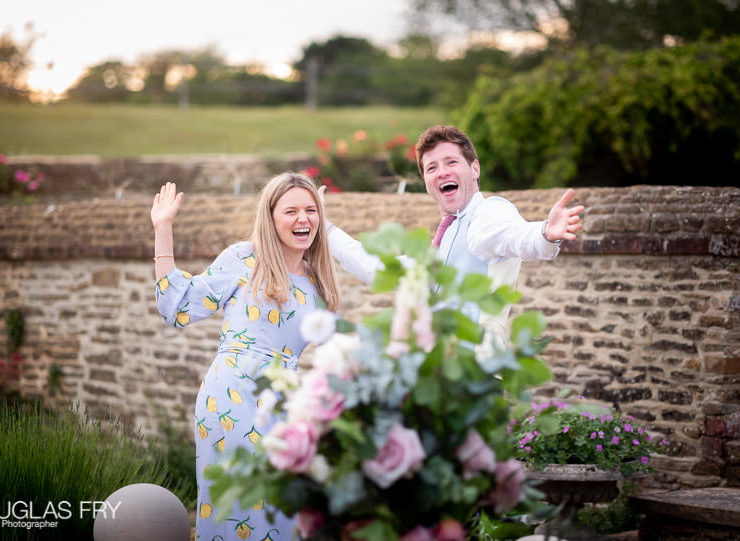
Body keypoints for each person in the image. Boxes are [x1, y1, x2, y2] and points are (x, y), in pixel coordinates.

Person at [151, 173, 340, 541]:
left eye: (310, 210)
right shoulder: (243, 258)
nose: (303, 219)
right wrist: (163, 228)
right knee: (241, 510)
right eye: (291, 211)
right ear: (270, 218)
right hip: (231, 395)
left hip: (283, 404)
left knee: (281, 510)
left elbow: (335, 354)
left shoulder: (318, 282)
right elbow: (177, 304)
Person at [324, 125, 583, 340]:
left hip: (476, 374)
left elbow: (511, 235)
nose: (442, 172)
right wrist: (323, 227)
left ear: (475, 169)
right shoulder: (442, 242)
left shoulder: (489, 212)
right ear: (425, 181)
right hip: (437, 376)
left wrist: (544, 233)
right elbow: (377, 268)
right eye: (432, 168)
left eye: (451, 162)